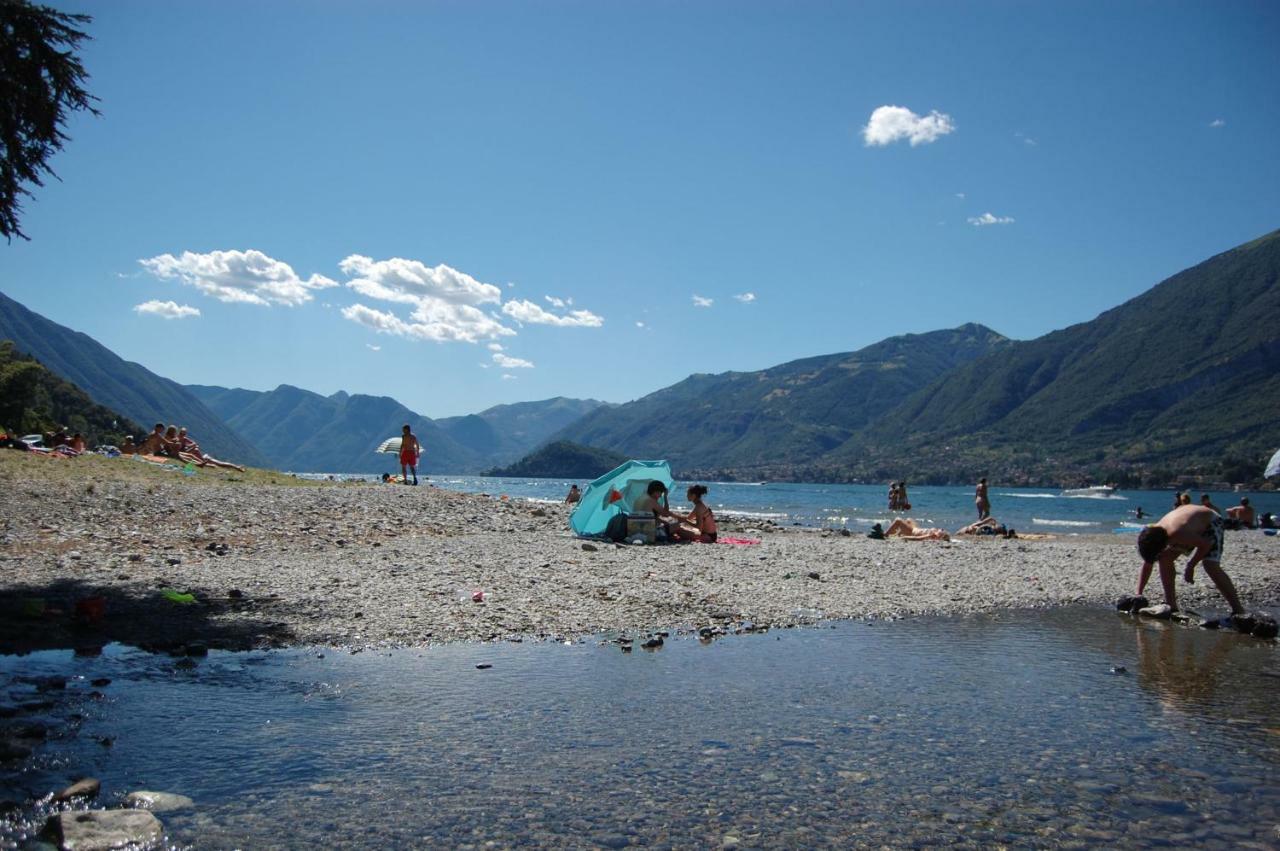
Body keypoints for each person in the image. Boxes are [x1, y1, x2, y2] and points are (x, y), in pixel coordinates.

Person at [1135, 504, 1245, 617]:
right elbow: (1148, 563)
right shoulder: (1152, 532)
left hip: (1210, 522)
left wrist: (1190, 566)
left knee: (1210, 565)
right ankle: (1171, 605)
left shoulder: (1178, 533)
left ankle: (1238, 611)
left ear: (1163, 544)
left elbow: (1205, 545)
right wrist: (1139, 594)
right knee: (1165, 558)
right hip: (1190, 523)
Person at [884, 518, 949, 541]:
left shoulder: (931, 535)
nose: (941, 529)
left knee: (898, 520)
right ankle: (897, 534)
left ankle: (885, 534)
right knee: (909, 519)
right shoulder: (935, 532)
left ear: (940, 536)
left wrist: (904, 537)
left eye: (942, 530)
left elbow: (916, 538)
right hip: (916, 528)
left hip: (911, 532)